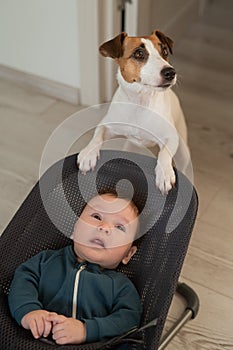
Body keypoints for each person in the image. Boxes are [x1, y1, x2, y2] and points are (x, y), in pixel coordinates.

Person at [8, 192, 142, 345]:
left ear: (128, 254)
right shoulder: (46, 261)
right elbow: (22, 282)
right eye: (97, 217)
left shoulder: (121, 287)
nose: (104, 228)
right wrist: (29, 311)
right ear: (74, 229)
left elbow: (129, 320)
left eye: (119, 227)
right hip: (27, 341)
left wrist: (87, 330)